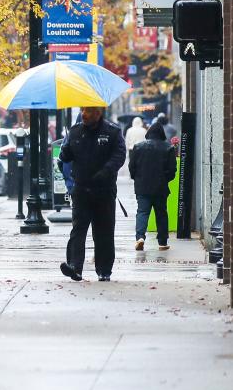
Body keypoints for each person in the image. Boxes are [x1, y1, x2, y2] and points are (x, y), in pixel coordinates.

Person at [58, 106, 126, 282]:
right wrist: (64, 152)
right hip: (81, 190)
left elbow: (120, 155)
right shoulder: (74, 132)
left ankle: (104, 270)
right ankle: (74, 267)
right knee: (78, 229)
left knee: (103, 231)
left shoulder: (112, 132)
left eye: (88, 111)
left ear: (98, 113)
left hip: (104, 190)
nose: (84, 114)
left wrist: (107, 171)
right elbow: (65, 158)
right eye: (82, 110)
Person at [129, 119, 177, 252]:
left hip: (142, 187)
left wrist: (137, 179)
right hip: (160, 187)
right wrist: (164, 179)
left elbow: (132, 167)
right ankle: (162, 242)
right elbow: (172, 171)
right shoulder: (168, 148)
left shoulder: (138, 147)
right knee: (161, 213)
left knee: (142, 212)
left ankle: (140, 237)